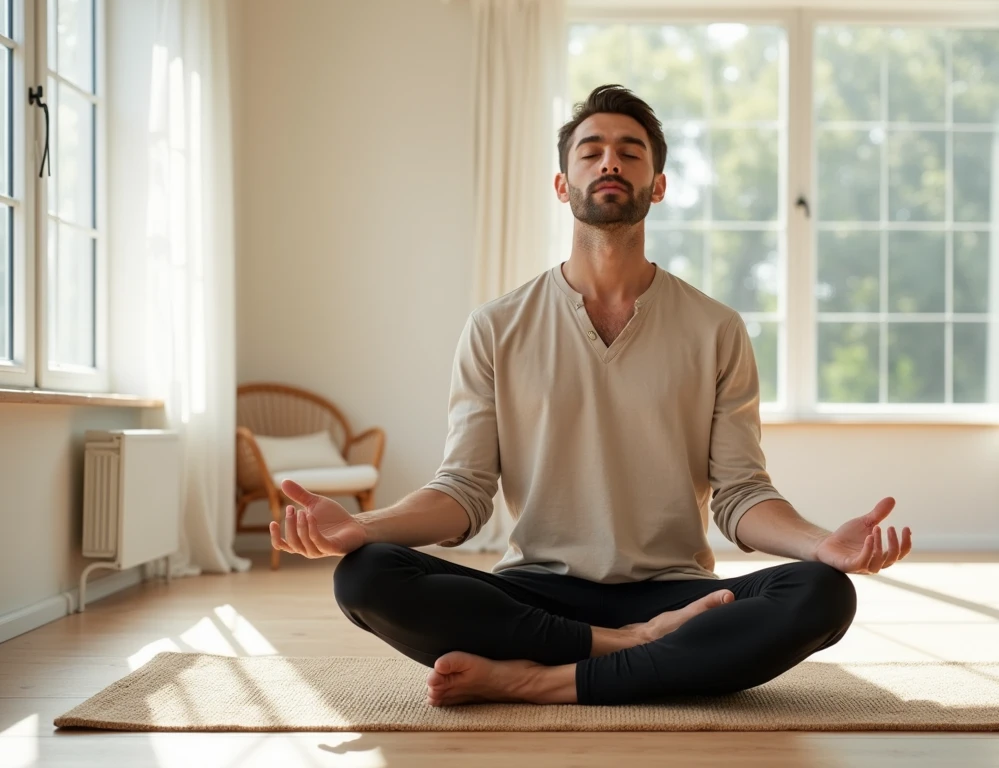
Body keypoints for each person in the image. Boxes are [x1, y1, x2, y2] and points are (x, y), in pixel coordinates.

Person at [269, 84, 913, 707]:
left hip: (675, 594)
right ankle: (624, 650)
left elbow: (741, 494)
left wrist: (821, 544)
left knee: (823, 594)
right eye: (592, 151)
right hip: (535, 595)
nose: (610, 161)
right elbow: (463, 491)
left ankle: (536, 682)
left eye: (631, 152)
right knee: (365, 574)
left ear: (657, 186)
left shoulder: (716, 328)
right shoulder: (495, 326)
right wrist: (362, 527)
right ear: (562, 185)